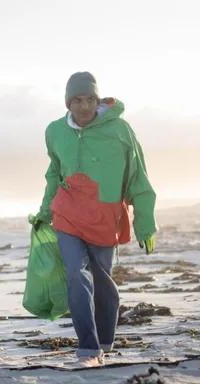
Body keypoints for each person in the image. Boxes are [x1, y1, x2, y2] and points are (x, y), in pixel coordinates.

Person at [32, 72, 157, 367]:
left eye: (90, 99)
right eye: (78, 100)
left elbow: (138, 177)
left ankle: (104, 341)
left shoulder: (120, 130)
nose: (85, 106)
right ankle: (87, 349)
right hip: (67, 214)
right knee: (76, 275)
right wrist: (45, 211)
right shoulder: (55, 131)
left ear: (97, 100)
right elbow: (54, 173)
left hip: (104, 215)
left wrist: (145, 223)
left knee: (101, 280)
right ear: (68, 102)